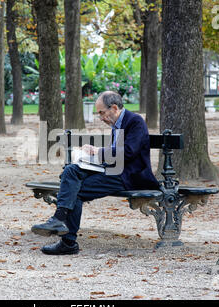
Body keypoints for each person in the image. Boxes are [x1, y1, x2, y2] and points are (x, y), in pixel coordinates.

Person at [31, 91, 159, 255]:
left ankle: (67, 240)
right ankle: (59, 220)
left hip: (130, 176)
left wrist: (98, 152)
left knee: (73, 190)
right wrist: (93, 160)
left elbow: (128, 152)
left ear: (114, 108)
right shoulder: (117, 124)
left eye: (101, 113)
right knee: (71, 170)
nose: (100, 118)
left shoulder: (135, 121)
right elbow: (116, 154)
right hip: (114, 169)